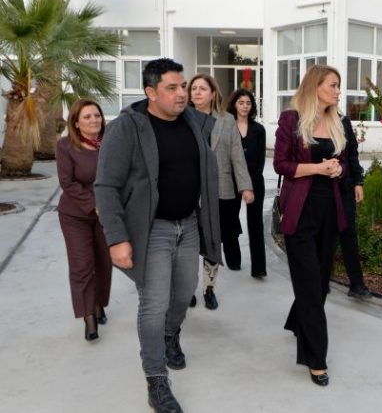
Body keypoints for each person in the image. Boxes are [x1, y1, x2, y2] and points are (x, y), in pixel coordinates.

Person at [95, 58, 221, 413]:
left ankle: (170, 335)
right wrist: (117, 238)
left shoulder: (194, 121)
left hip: (189, 225)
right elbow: (105, 186)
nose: (182, 93)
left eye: (184, 86)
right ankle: (156, 381)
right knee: (153, 305)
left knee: (183, 294)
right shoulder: (127, 128)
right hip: (151, 231)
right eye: (172, 88)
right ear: (151, 92)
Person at [274, 64, 347, 387]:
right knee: (309, 288)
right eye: (333, 85)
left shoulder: (338, 121)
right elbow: (281, 164)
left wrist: (338, 169)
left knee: (320, 284)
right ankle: (316, 358)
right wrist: (317, 168)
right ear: (316, 86)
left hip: (329, 210)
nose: (338, 91)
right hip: (300, 212)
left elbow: (344, 161)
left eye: (338, 86)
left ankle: (296, 321)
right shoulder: (291, 120)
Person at [188, 74, 254, 310]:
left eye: (202, 88)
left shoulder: (226, 120)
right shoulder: (182, 119)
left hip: (220, 190)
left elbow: (237, 155)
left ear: (213, 94)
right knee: (188, 243)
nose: (197, 92)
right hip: (188, 191)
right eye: (193, 88)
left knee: (213, 241)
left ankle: (209, 288)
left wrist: (245, 187)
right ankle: (187, 289)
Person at [56, 99, 112, 342]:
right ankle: (89, 316)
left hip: (107, 214)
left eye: (97, 115)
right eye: (87, 117)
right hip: (75, 216)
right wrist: (94, 204)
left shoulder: (110, 143)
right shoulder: (65, 145)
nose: (94, 120)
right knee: (82, 265)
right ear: (76, 123)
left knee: (104, 263)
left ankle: (99, 304)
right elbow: (67, 182)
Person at [225, 88, 267, 278]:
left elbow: (261, 160)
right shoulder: (226, 127)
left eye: (248, 103)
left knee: (255, 224)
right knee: (230, 221)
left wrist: (251, 183)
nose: (245, 106)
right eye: (241, 102)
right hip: (230, 181)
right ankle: (233, 260)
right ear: (234, 104)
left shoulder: (259, 129)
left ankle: (259, 268)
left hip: (255, 181)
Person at [340, 115, 371, 299]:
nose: (337, 100)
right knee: (323, 236)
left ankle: (356, 284)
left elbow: (352, 153)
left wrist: (358, 181)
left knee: (349, 233)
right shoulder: (310, 119)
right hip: (320, 189)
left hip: (344, 187)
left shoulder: (343, 121)